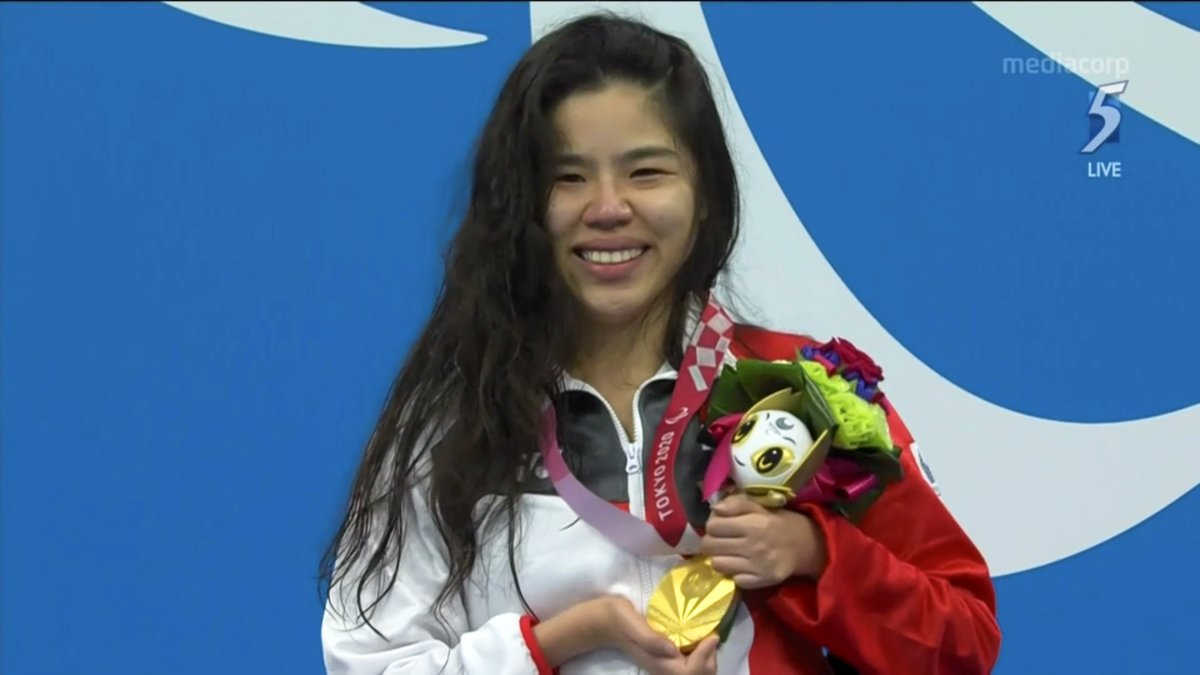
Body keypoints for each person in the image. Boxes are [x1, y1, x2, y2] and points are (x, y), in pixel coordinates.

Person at [318, 12, 1001, 675]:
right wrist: (555, 643)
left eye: (647, 172)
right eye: (568, 177)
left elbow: (963, 640)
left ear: (706, 195)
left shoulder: (804, 393)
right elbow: (371, 662)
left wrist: (818, 553)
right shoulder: (455, 421)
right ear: (523, 205)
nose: (609, 206)